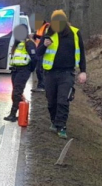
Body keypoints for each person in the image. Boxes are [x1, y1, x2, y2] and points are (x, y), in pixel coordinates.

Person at [37, 10, 87, 139]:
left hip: (67, 73)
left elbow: (81, 53)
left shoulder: (75, 33)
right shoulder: (48, 33)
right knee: (51, 101)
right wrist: (44, 45)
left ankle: (62, 126)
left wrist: (83, 71)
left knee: (63, 100)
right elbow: (38, 53)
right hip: (50, 73)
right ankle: (54, 122)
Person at [4, 24, 38, 122]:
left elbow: (35, 58)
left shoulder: (29, 43)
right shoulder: (17, 44)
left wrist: (29, 69)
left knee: (17, 92)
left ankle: (13, 114)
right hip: (15, 70)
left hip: (23, 70)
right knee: (16, 92)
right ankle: (22, 110)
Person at [32, 20, 50, 92]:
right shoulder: (39, 28)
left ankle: (42, 86)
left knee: (40, 69)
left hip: (44, 50)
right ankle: (41, 85)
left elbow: (45, 37)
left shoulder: (46, 26)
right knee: (38, 69)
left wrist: (35, 36)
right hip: (39, 49)